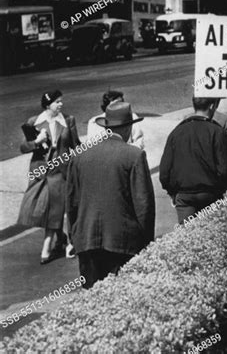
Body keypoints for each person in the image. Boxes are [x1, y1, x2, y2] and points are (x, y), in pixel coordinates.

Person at [67, 101, 155, 289]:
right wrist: (147, 243)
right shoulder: (134, 155)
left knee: (92, 300)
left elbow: (72, 202)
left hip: (87, 241)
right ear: (129, 127)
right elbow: (144, 205)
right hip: (123, 243)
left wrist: (74, 237)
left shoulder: (80, 156)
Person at [18, 90, 80, 264]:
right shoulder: (33, 122)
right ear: (47, 105)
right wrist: (36, 142)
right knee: (42, 208)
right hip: (41, 171)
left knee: (55, 206)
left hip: (61, 170)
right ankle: (61, 239)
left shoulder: (68, 120)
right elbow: (23, 147)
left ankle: (47, 248)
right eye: (57, 102)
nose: (60, 104)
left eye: (61, 101)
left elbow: (76, 146)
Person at [160, 97, 227, 224]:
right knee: (209, 236)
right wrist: (225, 188)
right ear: (212, 106)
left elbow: (165, 171)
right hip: (211, 194)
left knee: (188, 238)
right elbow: (226, 168)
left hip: (184, 195)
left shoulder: (177, 132)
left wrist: (172, 192)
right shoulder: (218, 132)